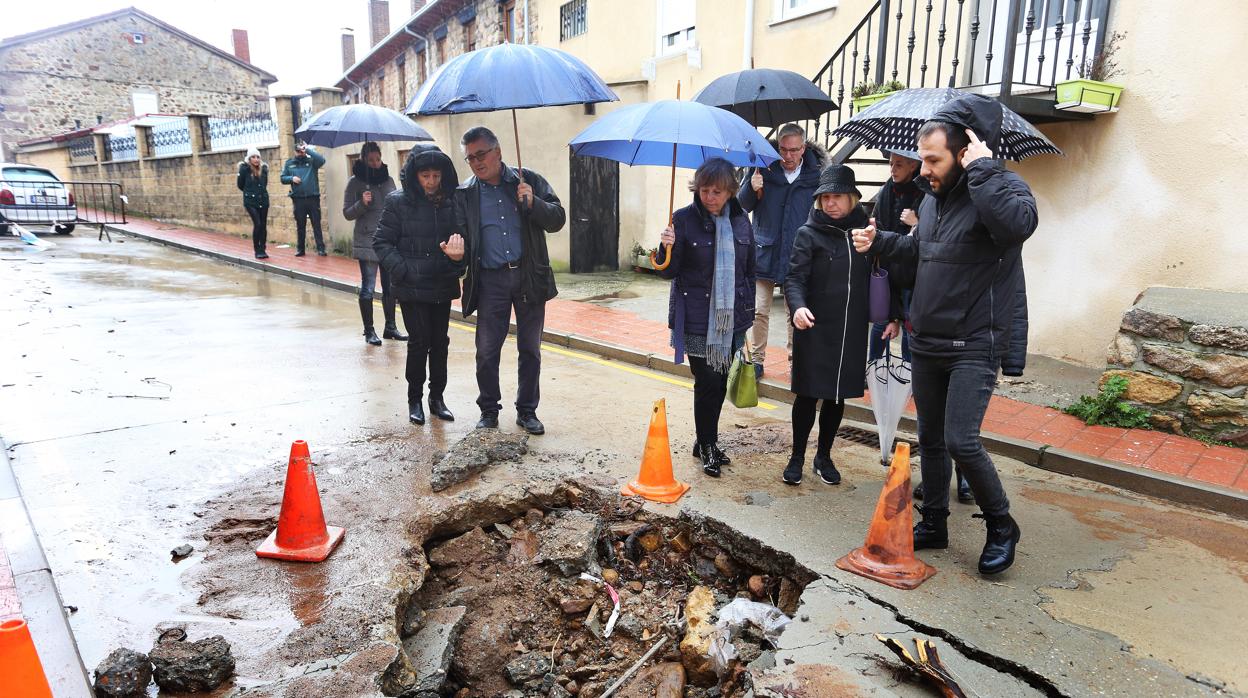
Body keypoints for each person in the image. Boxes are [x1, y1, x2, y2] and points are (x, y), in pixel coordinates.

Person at [852, 94, 1036, 575]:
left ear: (967, 150)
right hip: (929, 337)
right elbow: (920, 255)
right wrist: (881, 243)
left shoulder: (1004, 190)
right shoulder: (932, 203)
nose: (923, 169)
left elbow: (1018, 227)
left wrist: (985, 171)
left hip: (975, 341)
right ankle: (934, 520)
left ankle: (1001, 524)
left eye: (933, 159)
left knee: (960, 439)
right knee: (930, 439)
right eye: (922, 158)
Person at [455, 126, 565, 435]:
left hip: (529, 276)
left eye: (481, 154)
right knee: (487, 351)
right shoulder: (466, 193)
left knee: (530, 349)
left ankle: (527, 411)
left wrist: (534, 202)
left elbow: (557, 218)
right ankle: (489, 410)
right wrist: (455, 255)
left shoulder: (526, 180)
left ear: (498, 151)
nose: (476, 162)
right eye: (470, 158)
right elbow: (463, 241)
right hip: (491, 281)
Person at [782, 165, 881, 486]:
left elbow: (885, 274)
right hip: (814, 327)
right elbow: (795, 278)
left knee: (837, 397)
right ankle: (797, 456)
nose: (830, 203)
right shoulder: (808, 233)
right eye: (824, 197)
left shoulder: (866, 234)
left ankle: (823, 456)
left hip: (850, 329)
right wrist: (798, 307)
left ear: (853, 198)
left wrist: (890, 315)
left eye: (836, 196)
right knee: (808, 395)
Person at [656, 158, 756, 478]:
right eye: (704, 190)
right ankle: (709, 445)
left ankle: (704, 441)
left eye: (717, 191)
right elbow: (668, 271)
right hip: (697, 316)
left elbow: (749, 271)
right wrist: (665, 247)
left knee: (721, 379)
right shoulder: (683, 220)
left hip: (730, 319)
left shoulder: (742, 222)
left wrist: (747, 312)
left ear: (730, 191)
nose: (709, 197)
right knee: (708, 381)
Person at [374, 145, 464, 425]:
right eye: (425, 176)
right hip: (412, 287)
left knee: (440, 343)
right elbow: (381, 242)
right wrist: (403, 270)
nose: (431, 182)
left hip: (441, 283)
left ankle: (436, 398)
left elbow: (461, 244)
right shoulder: (397, 202)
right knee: (419, 342)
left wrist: (458, 259)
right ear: (415, 176)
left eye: (436, 176)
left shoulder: (452, 202)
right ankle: (414, 398)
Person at [737, 123, 826, 378]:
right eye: (784, 150)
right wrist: (750, 188)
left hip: (798, 252)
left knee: (794, 311)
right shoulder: (762, 167)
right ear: (778, 146)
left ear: (803, 148)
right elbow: (742, 206)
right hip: (765, 249)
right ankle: (757, 360)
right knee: (758, 310)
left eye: (794, 150)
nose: (788, 156)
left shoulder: (816, 175)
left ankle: (795, 361)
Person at [344, 141, 405, 346]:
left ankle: (390, 327)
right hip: (367, 240)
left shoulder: (388, 180)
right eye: (371, 160)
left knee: (390, 288)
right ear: (363, 160)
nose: (375, 163)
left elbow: (398, 205)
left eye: (378, 159)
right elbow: (347, 213)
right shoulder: (355, 183)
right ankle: (369, 331)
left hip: (388, 241)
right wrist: (362, 203)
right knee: (368, 287)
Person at [867, 150, 922, 364]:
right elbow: (878, 223)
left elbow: (933, 232)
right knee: (881, 320)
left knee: (909, 323)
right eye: (891, 164)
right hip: (888, 266)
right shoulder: (887, 190)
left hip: (911, 268)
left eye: (899, 164)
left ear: (913, 166)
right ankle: (873, 366)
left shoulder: (923, 193)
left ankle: (909, 373)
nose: (893, 169)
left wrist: (916, 223)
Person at [280, 140, 327, 256]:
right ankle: (300, 249)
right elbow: (282, 178)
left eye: (302, 151)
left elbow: (322, 161)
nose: (300, 153)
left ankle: (321, 249)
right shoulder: (289, 163)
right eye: (298, 151)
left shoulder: (312, 161)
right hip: (298, 199)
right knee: (300, 225)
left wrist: (308, 150)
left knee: (316, 224)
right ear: (295, 152)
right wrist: (291, 178)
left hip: (313, 198)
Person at [236, 147, 269, 259]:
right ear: (249, 159)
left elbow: (265, 184)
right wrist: (250, 192)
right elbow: (240, 185)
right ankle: (257, 249)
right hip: (250, 201)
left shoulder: (264, 169)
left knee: (263, 225)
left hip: (263, 200)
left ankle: (263, 248)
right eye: (253, 157)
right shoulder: (244, 169)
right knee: (258, 224)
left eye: (258, 157)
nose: (256, 159)